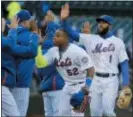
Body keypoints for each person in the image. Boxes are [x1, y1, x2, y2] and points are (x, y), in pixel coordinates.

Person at [60, 4, 131, 116]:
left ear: (110, 25)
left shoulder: (118, 42)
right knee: (95, 113)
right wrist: (64, 20)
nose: (100, 24)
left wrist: (126, 84)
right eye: (99, 22)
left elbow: (124, 63)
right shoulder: (90, 39)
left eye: (103, 22)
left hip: (111, 80)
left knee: (108, 111)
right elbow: (72, 34)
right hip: (95, 81)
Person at [36, 29, 95, 116]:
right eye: (54, 36)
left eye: (58, 36)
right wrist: (38, 45)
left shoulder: (77, 51)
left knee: (76, 115)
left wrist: (86, 87)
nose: (54, 38)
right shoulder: (53, 51)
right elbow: (40, 64)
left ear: (66, 38)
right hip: (67, 86)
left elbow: (91, 69)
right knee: (62, 114)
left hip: (81, 85)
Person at [2, 16, 39, 116]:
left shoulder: (8, 38)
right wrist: (35, 34)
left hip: (9, 82)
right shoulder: (9, 41)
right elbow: (32, 51)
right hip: (15, 82)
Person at [35, 11, 65, 117]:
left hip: (45, 86)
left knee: (49, 114)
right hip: (57, 86)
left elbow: (38, 71)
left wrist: (49, 25)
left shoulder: (39, 48)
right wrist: (51, 24)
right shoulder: (55, 49)